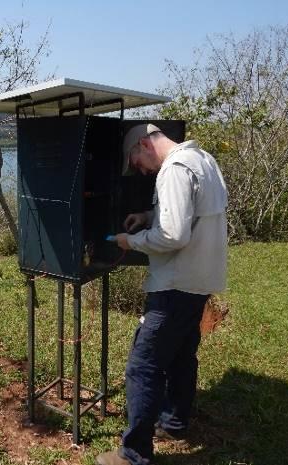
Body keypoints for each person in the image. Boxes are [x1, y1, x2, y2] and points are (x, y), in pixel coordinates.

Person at [96, 124, 228, 465]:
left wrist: (130, 242)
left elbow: (172, 235)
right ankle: (174, 422)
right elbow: (189, 213)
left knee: (144, 365)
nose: (139, 168)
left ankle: (133, 454)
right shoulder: (203, 160)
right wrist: (148, 215)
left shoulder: (173, 169)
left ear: (144, 144)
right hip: (200, 279)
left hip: (175, 283)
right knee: (182, 355)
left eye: (135, 159)